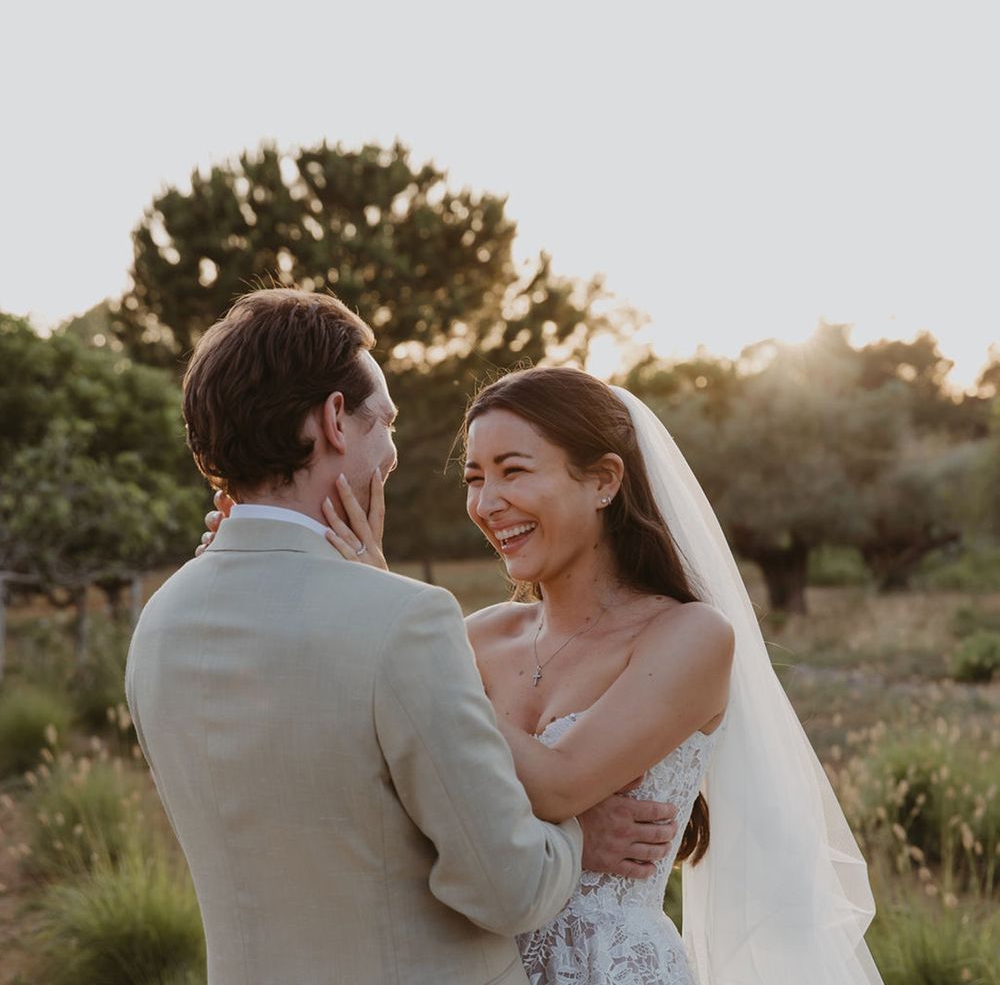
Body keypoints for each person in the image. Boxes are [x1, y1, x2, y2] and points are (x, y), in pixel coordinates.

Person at [127, 289, 677, 985]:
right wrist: (574, 837)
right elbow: (510, 889)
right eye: (383, 422)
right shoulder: (403, 624)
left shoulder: (160, 622)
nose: (391, 452)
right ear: (334, 420)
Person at [319, 367, 885, 984]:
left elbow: (560, 784)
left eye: (514, 471)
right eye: (475, 479)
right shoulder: (474, 637)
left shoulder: (690, 637)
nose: (486, 503)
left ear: (603, 481)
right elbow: (403, 804)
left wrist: (413, 656)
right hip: (471, 962)